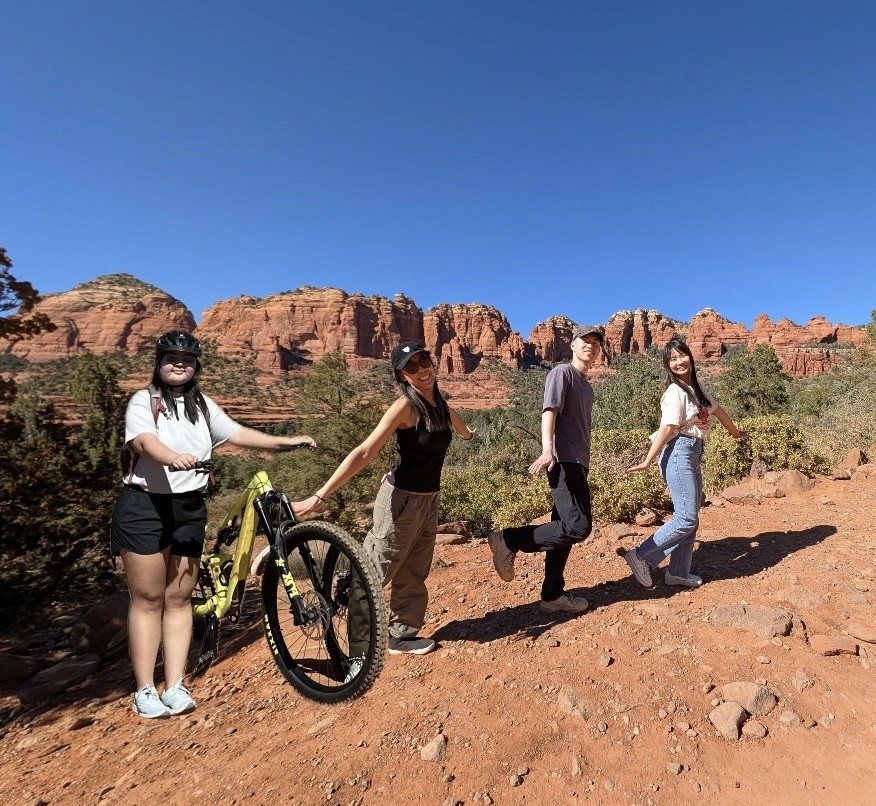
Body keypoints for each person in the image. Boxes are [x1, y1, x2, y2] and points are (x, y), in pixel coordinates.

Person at [111, 330, 316, 719]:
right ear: (159, 362)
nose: (179, 364)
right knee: (149, 598)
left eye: (187, 359)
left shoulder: (202, 406)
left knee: (179, 598)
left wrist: (287, 442)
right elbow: (144, 442)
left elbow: (239, 433)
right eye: (171, 357)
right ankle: (144, 690)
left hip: (189, 507)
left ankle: (175, 685)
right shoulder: (144, 401)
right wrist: (172, 457)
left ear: (196, 366)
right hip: (145, 506)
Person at [292, 342, 474, 657]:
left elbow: (461, 428)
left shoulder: (440, 406)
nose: (421, 370)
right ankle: (358, 647)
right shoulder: (405, 407)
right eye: (411, 367)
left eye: (423, 361)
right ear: (402, 376)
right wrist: (320, 495)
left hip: (429, 500)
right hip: (400, 501)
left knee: (414, 571)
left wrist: (471, 434)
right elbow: (365, 451)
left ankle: (401, 637)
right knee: (376, 570)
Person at [487, 325, 604, 614]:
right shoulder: (562, 373)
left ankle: (552, 595)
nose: (590, 345)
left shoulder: (586, 385)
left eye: (595, 342)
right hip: (563, 460)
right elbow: (549, 410)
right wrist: (547, 449)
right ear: (572, 345)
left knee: (563, 527)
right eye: (585, 340)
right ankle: (508, 539)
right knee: (578, 527)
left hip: (578, 462)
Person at [621, 337, 747, 588]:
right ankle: (641, 556)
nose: (679, 362)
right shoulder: (675, 392)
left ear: (690, 356)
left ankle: (678, 573)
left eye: (682, 355)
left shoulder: (697, 390)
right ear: (668, 366)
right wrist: (647, 460)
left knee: (690, 519)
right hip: (678, 451)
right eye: (672, 359)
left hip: (692, 452)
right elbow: (668, 428)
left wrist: (736, 433)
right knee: (686, 519)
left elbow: (720, 413)